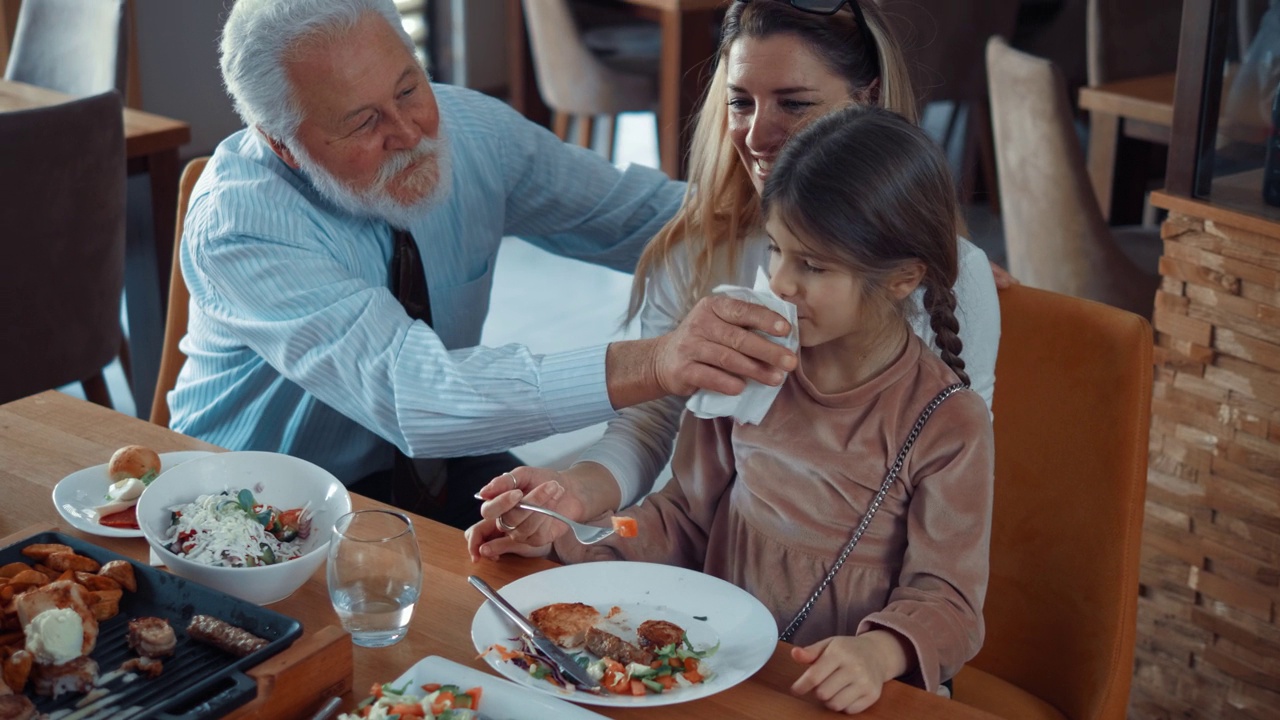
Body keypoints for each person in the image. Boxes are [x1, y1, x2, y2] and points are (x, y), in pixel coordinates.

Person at [167, 0, 798, 528]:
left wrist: (834, 226)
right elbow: (417, 396)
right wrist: (659, 360)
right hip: (249, 501)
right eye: (363, 122)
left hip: (428, 472)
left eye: (409, 88)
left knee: (563, 573)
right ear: (284, 145)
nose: (410, 131)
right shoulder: (242, 223)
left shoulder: (471, 132)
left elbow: (652, 220)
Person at [468, 105, 995, 714]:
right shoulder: (747, 367)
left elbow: (949, 603)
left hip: (848, 696)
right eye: (776, 249)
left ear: (902, 278)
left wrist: (880, 653)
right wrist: (573, 538)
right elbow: (679, 517)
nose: (782, 281)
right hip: (724, 673)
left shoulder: (948, 424)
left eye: (813, 265)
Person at [475, 0, 1001, 543]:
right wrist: (575, 492)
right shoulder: (698, 249)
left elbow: (957, 479)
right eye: (741, 102)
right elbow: (651, 422)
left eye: (794, 104)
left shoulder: (954, 280)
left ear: (866, 99)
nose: (754, 136)